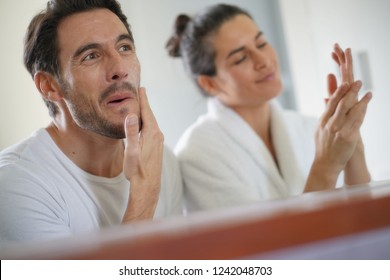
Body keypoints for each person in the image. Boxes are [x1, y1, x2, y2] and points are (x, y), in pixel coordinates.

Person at [0, 0, 183, 245]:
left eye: (125, 47)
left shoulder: (162, 162)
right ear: (49, 86)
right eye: (91, 56)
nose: (119, 69)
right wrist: (145, 196)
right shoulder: (16, 185)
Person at [166, 4, 372, 212]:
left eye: (261, 43)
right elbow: (261, 243)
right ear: (210, 84)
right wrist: (326, 166)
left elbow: (365, 216)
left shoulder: (307, 127)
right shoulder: (199, 154)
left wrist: (352, 143)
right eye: (241, 58)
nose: (263, 61)